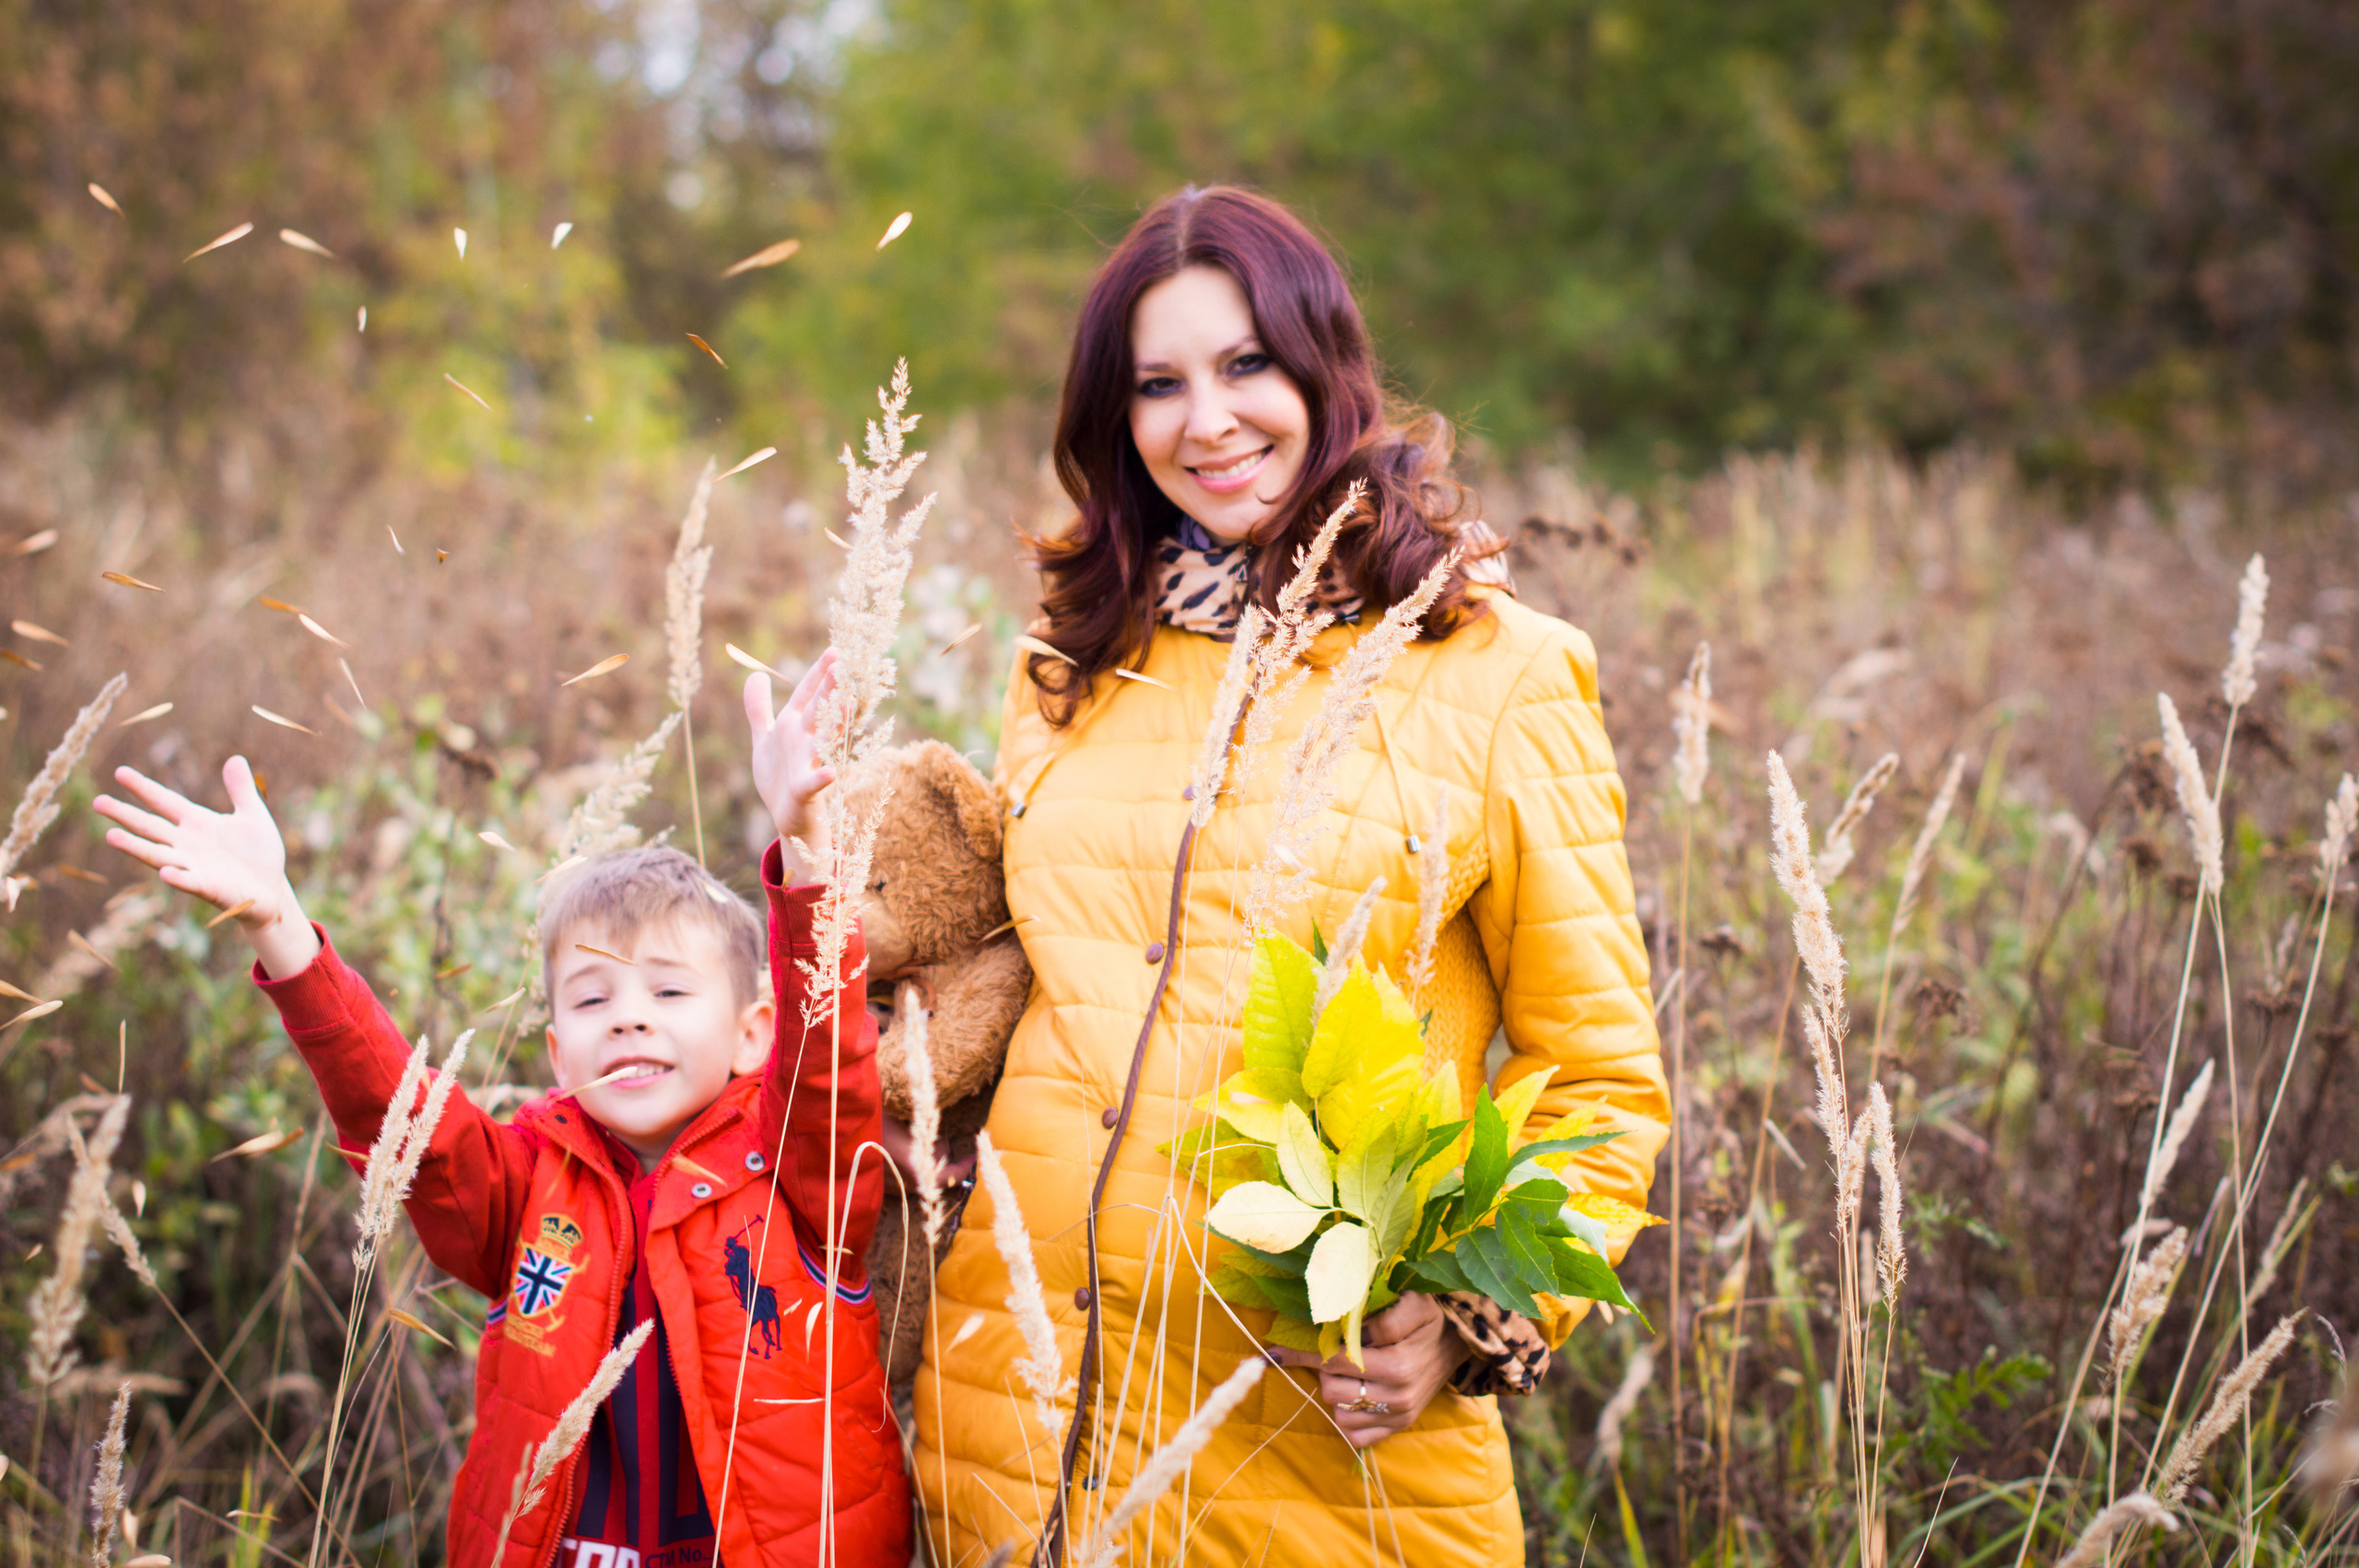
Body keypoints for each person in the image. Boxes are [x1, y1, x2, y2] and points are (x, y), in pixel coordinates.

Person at [907, 184, 1670, 1565]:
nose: (1207, 420)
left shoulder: (1496, 671)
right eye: (1159, 384)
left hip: (1314, 1451)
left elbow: (1604, 1082)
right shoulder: (1070, 657)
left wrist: (1469, 1318)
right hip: (1014, 1426)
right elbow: (1017, 981)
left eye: (1246, 363)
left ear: (1326, 368)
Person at [94, 652, 911, 1568]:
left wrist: (804, 840)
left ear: (753, 1034)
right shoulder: (527, 1183)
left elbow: (828, 1051)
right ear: (558, 1053)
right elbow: (397, 1112)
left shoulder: (798, 1171)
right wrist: (278, 922)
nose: (630, 1016)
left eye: (670, 991)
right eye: (593, 998)